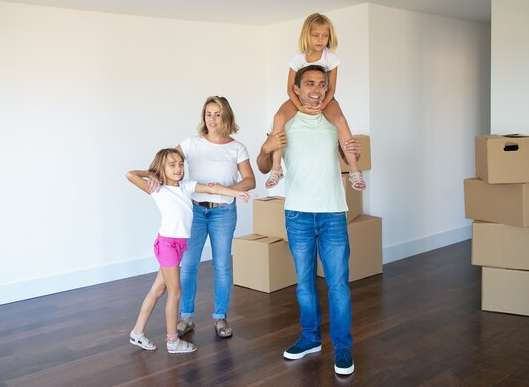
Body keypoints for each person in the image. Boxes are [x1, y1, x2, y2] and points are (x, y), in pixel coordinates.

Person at [257, 65, 361, 376]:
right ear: (297, 89)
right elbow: (264, 166)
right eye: (309, 83)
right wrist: (265, 149)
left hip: (332, 214)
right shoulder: (285, 121)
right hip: (298, 214)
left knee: (338, 285)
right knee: (304, 284)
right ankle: (310, 338)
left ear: (327, 89)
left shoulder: (333, 120)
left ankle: (342, 346)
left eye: (322, 84)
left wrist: (351, 153)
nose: (316, 89)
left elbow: (347, 153)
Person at [148, 96, 256, 339]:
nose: (212, 119)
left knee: (222, 266)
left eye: (218, 114)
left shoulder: (237, 148)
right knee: (188, 266)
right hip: (194, 211)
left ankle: (220, 317)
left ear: (226, 117)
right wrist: (153, 176)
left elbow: (250, 180)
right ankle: (186, 317)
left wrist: (228, 189)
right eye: (208, 114)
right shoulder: (190, 144)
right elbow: (164, 163)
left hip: (224, 213)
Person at [126, 148, 250, 354]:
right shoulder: (157, 188)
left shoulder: (186, 186)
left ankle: (137, 332)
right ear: (161, 168)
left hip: (179, 245)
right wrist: (151, 174)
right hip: (167, 245)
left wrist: (235, 192)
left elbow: (212, 189)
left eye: (180, 164)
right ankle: (172, 342)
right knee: (175, 292)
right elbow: (130, 175)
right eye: (171, 165)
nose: (178, 168)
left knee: (158, 290)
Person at [265, 12, 365, 192]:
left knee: (341, 122)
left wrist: (322, 106)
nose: (320, 40)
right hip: (297, 98)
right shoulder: (298, 57)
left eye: (325, 36)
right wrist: (300, 108)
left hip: (326, 98)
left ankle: (354, 171)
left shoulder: (331, 58)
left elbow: (332, 88)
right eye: (316, 35)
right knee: (279, 117)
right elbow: (289, 88)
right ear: (307, 36)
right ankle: (276, 168)